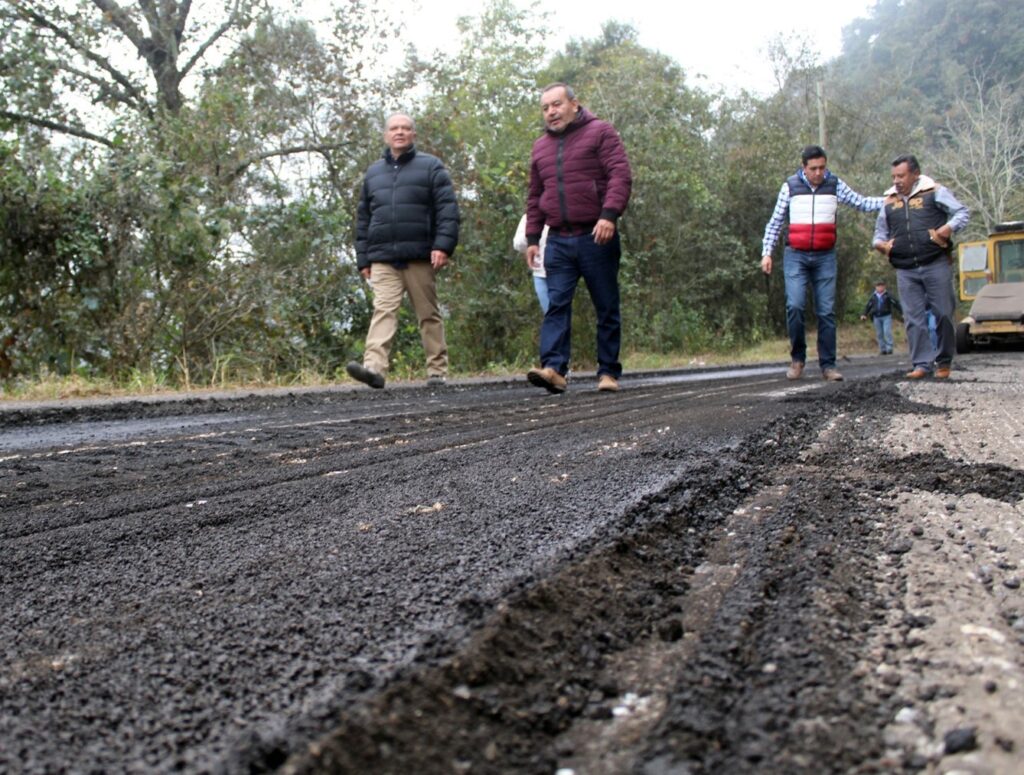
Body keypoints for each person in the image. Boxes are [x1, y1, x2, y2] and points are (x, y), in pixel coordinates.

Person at [524, 83, 632, 394]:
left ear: (574, 104)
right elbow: (535, 195)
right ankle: (554, 369)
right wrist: (533, 237)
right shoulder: (540, 146)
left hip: (596, 235)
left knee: (606, 304)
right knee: (557, 303)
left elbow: (619, 175)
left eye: (556, 105)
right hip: (557, 237)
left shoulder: (600, 132)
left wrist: (609, 215)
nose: (551, 112)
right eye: (545, 108)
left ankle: (608, 372)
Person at [346, 113, 459, 389]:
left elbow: (448, 210)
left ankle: (436, 370)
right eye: (394, 128)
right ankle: (374, 368)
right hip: (383, 256)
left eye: (405, 128)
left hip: (420, 254)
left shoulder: (431, 167)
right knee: (383, 310)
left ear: (413, 135)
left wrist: (443, 245)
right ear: (386, 135)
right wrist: (363, 257)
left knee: (428, 313)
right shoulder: (373, 173)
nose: (400, 132)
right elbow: (363, 218)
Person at [761, 145, 885, 381]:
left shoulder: (834, 184)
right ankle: (798, 359)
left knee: (826, 311)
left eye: (822, 168)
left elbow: (862, 202)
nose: (819, 173)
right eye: (813, 169)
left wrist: (889, 200)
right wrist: (767, 253)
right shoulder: (790, 187)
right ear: (804, 168)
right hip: (795, 254)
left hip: (825, 256)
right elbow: (775, 222)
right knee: (795, 306)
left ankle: (828, 365)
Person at [873, 154, 969, 379]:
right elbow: (879, 232)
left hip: (935, 262)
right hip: (905, 268)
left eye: (901, 176)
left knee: (944, 313)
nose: (897, 181)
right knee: (913, 317)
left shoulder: (935, 191)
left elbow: (962, 212)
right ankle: (921, 364)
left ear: (915, 174)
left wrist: (947, 229)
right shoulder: (888, 201)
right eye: (894, 176)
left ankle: (944, 361)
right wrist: (880, 244)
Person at [512, 214, 550, 313]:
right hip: (540, 273)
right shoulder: (529, 217)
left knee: (559, 313)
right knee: (550, 314)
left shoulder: (560, 211)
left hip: (564, 270)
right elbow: (517, 243)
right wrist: (531, 235)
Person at [860, 280, 901, 354]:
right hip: (876, 317)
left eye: (881, 286)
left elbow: (896, 304)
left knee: (887, 331)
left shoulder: (888, 295)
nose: (880, 287)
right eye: (878, 286)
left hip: (886, 316)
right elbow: (868, 306)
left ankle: (889, 348)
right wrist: (864, 314)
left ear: (884, 286)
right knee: (879, 333)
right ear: (876, 287)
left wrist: (902, 312)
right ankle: (883, 349)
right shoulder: (873, 296)